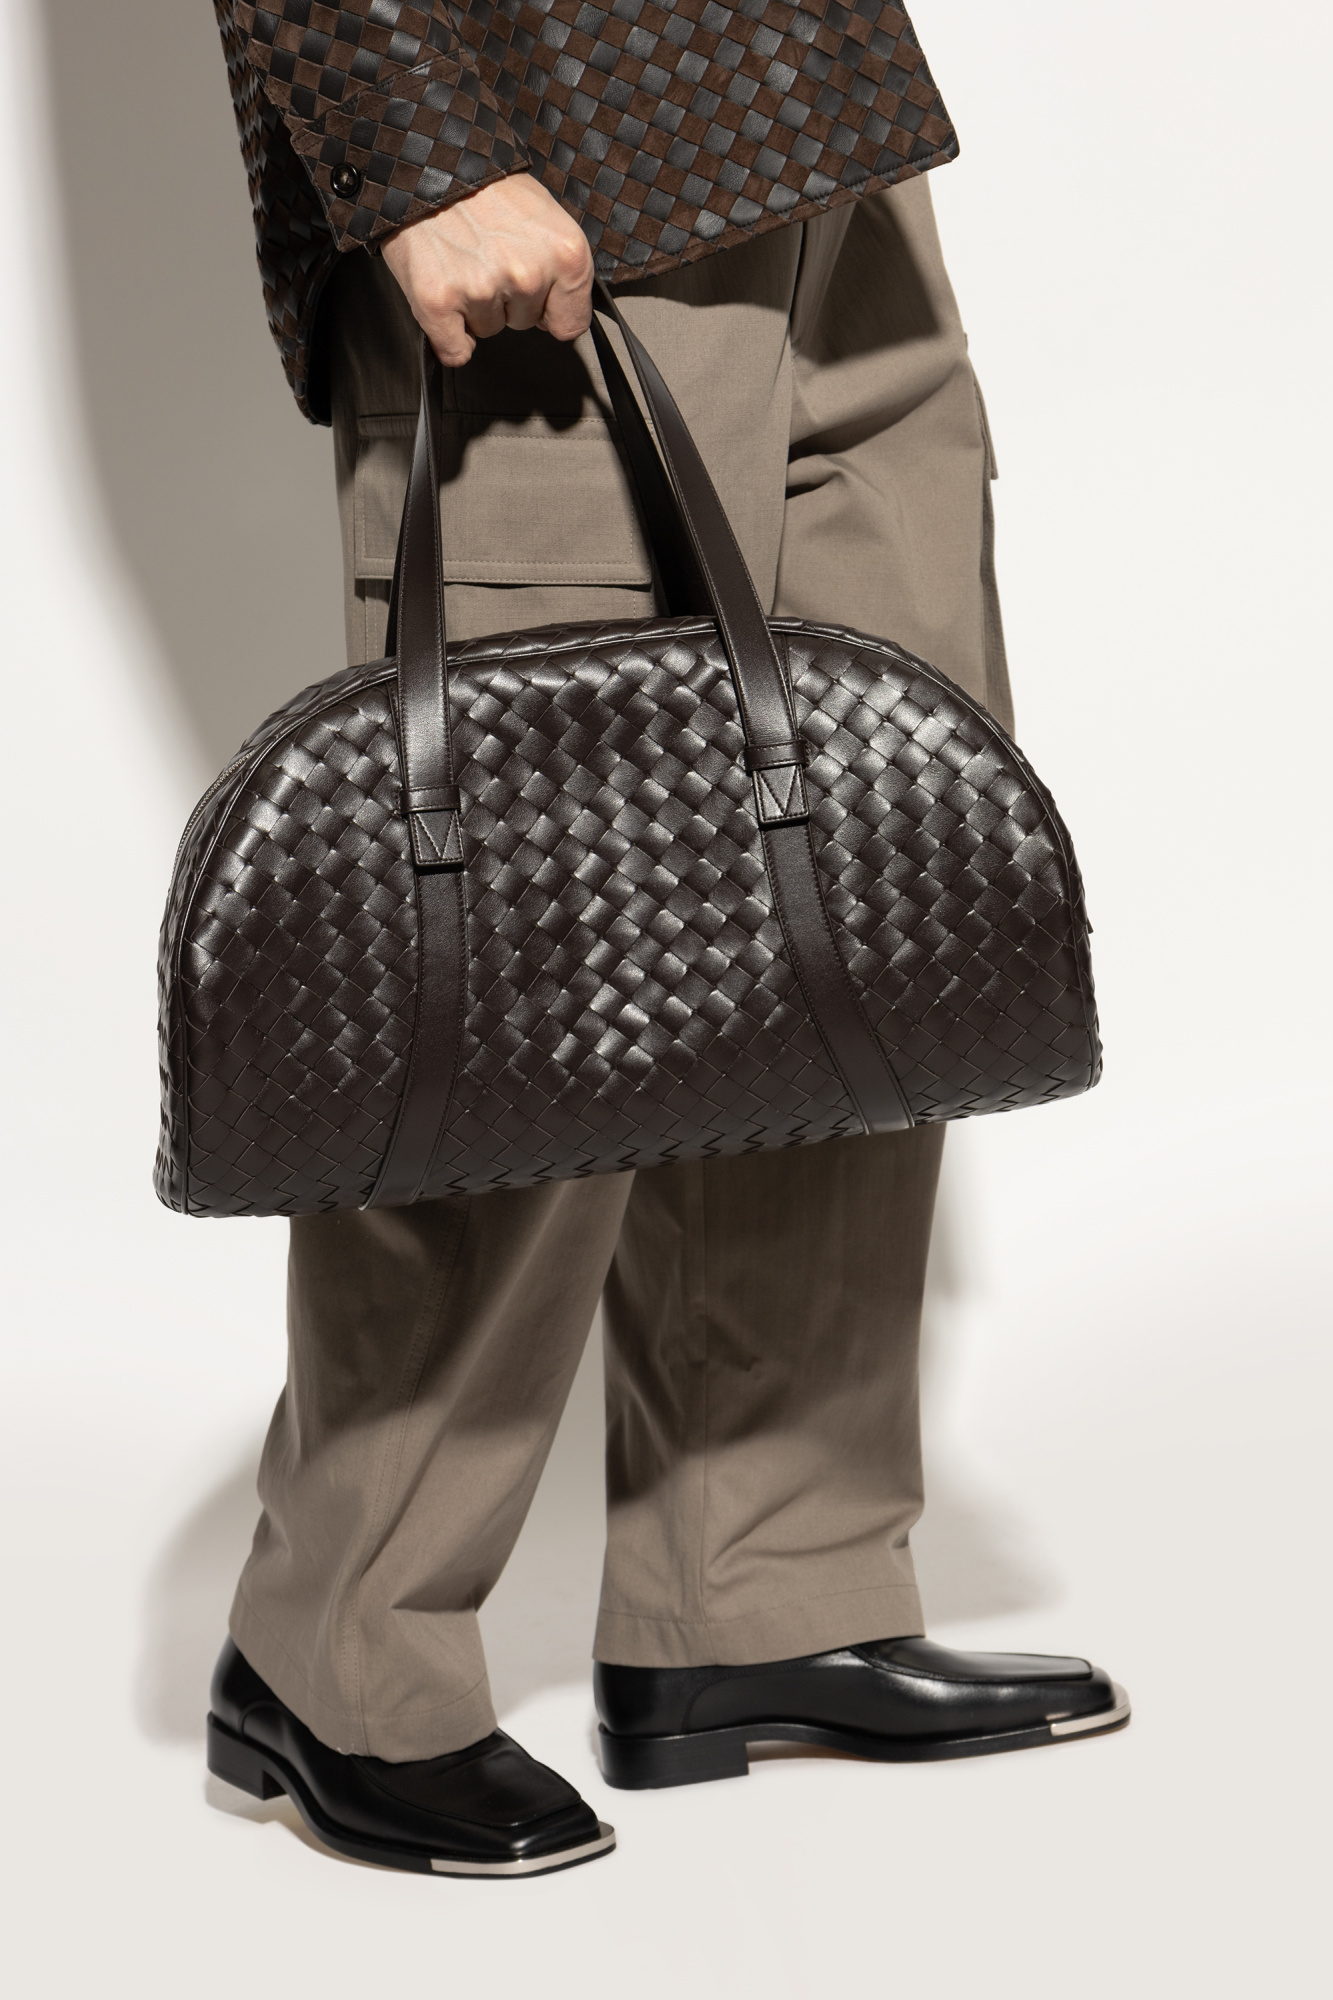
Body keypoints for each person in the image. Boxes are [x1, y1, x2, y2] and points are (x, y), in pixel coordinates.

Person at [203, 1, 1128, 1878]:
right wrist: (414, 149)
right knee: (530, 952)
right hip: (527, 140)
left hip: (821, 126)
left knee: (862, 904)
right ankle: (338, 1663)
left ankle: (762, 1592)